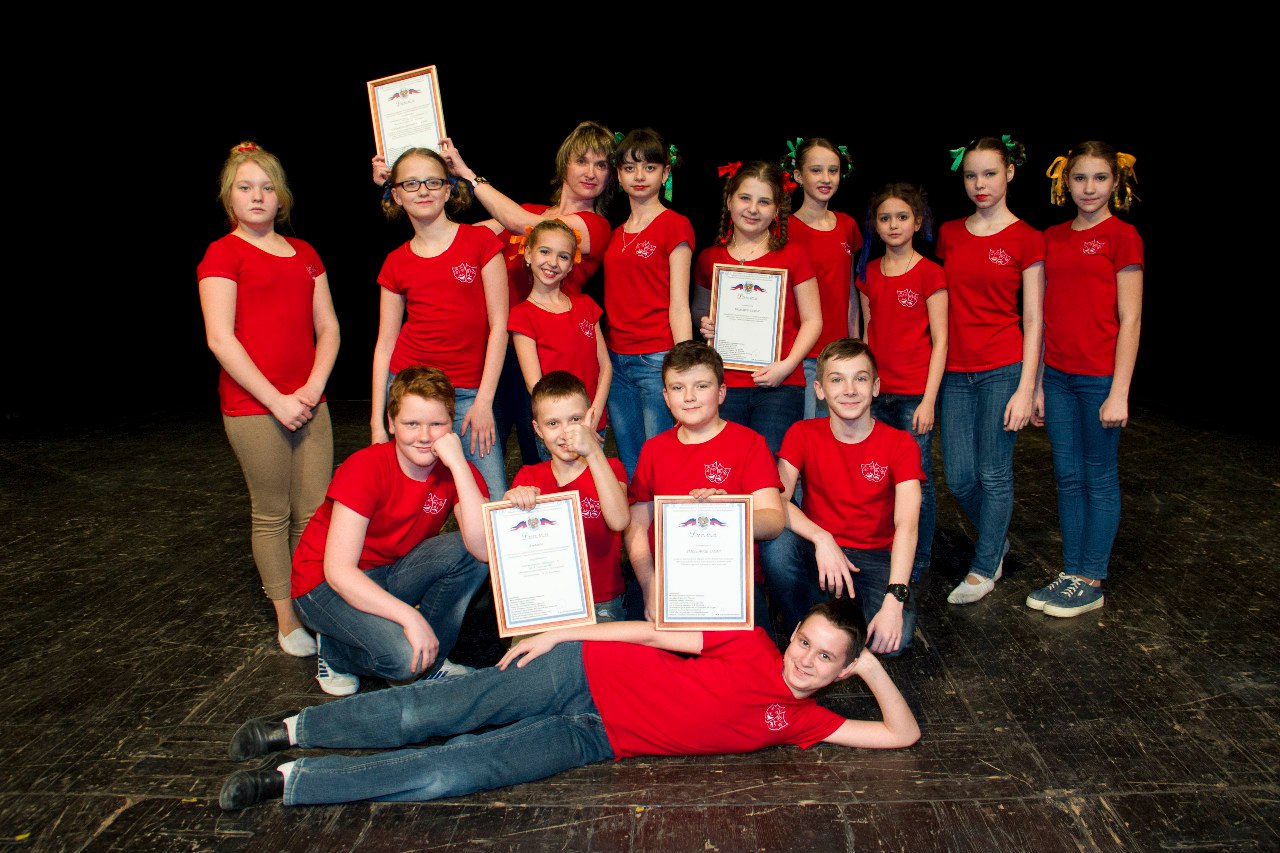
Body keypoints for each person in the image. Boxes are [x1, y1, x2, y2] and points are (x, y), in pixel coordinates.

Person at [217, 598, 920, 810]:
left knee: (454, 770)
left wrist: (870, 665)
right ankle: (293, 728)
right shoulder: (749, 640)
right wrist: (564, 633)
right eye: (805, 641)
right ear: (792, 634)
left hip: (595, 738)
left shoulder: (808, 720)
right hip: (582, 672)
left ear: (840, 671)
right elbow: (651, 631)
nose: (805, 659)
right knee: (433, 711)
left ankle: (291, 781)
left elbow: (901, 734)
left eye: (826, 657)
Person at [197, 141, 340, 659]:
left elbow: (328, 328)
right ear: (229, 197)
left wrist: (312, 389)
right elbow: (221, 339)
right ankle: (287, 618)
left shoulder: (306, 254)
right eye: (245, 187)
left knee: (314, 514)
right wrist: (278, 400)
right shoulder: (223, 253)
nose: (257, 196)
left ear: (281, 197)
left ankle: (313, 605)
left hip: (309, 403)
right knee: (273, 514)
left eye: (266, 187)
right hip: (256, 408)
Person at [290, 366, 491, 696]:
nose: (424, 436)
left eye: (437, 424)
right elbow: (339, 572)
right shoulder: (364, 468)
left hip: (388, 572)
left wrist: (458, 465)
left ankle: (431, 661)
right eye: (411, 424)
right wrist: (410, 618)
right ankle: (336, 650)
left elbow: (483, 549)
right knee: (402, 659)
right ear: (391, 423)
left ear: (451, 426)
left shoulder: (456, 470)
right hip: (323, 584)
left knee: (469, 555)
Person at [436, 123, 617, 467]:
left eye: (601, 165)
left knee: (545, 460)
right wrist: (417, 186)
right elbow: (458, 236)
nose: (591, 172)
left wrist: (468, 174)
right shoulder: (528, 211)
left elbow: (526, 225)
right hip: (500, 351)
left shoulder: (594, 226)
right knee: (483, 451)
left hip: (547, 353)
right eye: (582, 161)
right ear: (564, 164)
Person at [1026, 142, 1143, 617]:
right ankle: (1072, 571)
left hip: (1099, 381)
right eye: (1079, 178)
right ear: (1065, 183)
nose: (1089, 188)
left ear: (1116, 183)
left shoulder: (1123, 236)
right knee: (1068, 477)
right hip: (1057, 378)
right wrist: (1037, 384)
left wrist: (1119, 392)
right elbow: (1042, 316)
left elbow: (1131, 319)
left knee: (1098, 476)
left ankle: (1091, 578)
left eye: (1099, 178)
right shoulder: (1052, 237)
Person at [759, 339, 924, 657]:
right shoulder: (802, 433)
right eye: (837, 379)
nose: (849, 390)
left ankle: (831, 620)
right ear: (819, 390)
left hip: (875, 558)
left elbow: (907, 525)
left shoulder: (900, 444)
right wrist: (821, 538)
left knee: (893, 642)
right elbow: (776, 499)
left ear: (875, 387)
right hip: (818, 553)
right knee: (775, 542)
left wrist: (894, 599)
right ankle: (800, 625)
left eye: (860, 378)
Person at [936, 135, 1045, 605]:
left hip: (1003, 368)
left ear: (1010, 173)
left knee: (993, 474)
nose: (980, 184)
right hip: (954, 372)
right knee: (961, 478)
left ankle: (984, 568)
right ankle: (995, 541)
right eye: (971, 175)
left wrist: (1027, 388)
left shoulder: (1027, 237)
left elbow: (1035, 319)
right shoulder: (949, 234)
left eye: (989, 173)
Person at [371, 147, 509, 500]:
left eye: (432, 182)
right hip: (410, 393)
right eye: (411, 183)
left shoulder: (480, 242)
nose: (423, 191)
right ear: (396, 195)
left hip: (467, 395)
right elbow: (385, 344)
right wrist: (377, 422)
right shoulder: (395, 262)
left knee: (491, 498)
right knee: (409, 500)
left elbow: (499, 326)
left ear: (448, 190)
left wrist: (484, 402)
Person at [625, 341, 786, 622]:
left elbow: (774, 520)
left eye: (701, 386)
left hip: (732, 582)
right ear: (666, 397)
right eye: (677, 388)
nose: (689, 397)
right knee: (632, 648)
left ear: (721, 392)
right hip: (667, 579)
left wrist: (729, 513)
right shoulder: (653, 449)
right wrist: (649, 583)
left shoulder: (749, 444)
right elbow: (637, 524)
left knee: (751, 651)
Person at [693, 161, 823, 455]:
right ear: (729, 200)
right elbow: (698, 309)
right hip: (724, 385)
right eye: (745, 198)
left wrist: (786, 366)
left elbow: (813, 320)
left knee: (771, 465)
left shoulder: (794, 255)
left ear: (776, 210)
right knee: (727, 465)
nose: (753, 209)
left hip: (780, 385)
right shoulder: (710, 258)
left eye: (764, 202)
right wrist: (704, 322)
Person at [856, 183, 948, 591]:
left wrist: (929, 400)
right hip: (877, 395)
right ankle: (886, 549)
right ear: (875, 225)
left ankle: (919, 557)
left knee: (916, 480)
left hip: (914, 396)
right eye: (885, 218)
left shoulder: (930, 272)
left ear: (917, 222)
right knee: (879, 478)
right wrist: (863, 389)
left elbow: (941, 341)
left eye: (902, 217)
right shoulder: (869, 273)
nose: (893, 225)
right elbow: (866, 335)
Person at [602, 128, 696, 476]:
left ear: (665, 173)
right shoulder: (616, 233)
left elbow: (680, 303)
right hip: (616, 360)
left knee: (663, 461)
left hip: (656, 359)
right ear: (618, 175)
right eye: (629, 168)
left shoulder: (675, 225)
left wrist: (684, 367)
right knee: (630, 463)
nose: (639, 176)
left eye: (650, 167)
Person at [505, 371, 630, 622]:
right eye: (552, 423)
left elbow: (619, 521)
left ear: (590, 418)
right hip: (547, 601)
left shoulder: (610, 468)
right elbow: (514, 549)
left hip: (600, 601)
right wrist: (513, 502)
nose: (564, 432)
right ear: (538, 429)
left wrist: (593, 452)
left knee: (587, 647)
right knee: (531, 648)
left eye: (575, 419)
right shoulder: (529, 476)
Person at [507, 220, 612, 461]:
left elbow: (605, 367)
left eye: (563, 256)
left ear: (571, 264)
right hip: (557, 433)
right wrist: (566, 427)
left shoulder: (586, 306)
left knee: (594, 482)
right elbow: (535, 385)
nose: (553, 262)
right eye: (545, 252)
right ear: (529, 254)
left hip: (593, 423)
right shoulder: (522, 316)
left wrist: (593, 416)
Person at [780, 138, 863, 419]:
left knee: (838, 434)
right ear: (798, 175)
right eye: (816, 170)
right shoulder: (783, 229)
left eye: (833, 170)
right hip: (800, 355)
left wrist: (854, 343)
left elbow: (849, 290)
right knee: (806, 433)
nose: (826, 178)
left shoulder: (848, 226)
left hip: (838, 355)